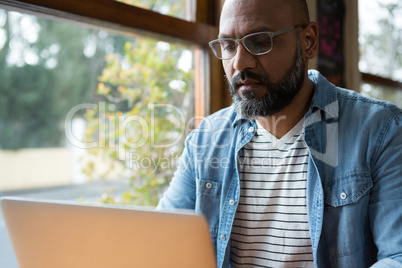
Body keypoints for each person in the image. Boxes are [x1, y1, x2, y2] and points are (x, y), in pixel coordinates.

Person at [157, 0, 402, 267]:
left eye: (260, 41)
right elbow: (160, 240)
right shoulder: (205, 140)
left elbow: (397, 256)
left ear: (307, 41)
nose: (239, 63)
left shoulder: (380, 130)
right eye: (228, 46)